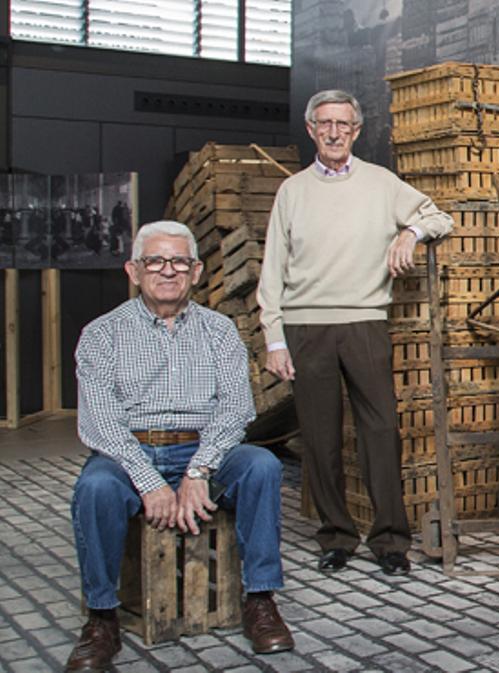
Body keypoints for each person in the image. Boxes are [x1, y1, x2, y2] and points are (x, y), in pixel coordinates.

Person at [69, 221, 292, 671]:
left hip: (204, 447)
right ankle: (100, 617)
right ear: (133, 270)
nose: (167, 271)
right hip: (128, 452)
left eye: (179, 262)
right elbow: (102, 424)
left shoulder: (220, 331)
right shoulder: (101, 334)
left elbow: (236, 409)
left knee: (262, 466)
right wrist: (151, 482)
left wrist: (198, 470)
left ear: (196, 271)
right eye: (155, 261)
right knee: (95, 488)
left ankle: (261, 599)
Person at [257, 89, 453, 576]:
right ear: (311, 129)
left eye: (343, 124)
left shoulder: (382, 184)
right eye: (325, 123)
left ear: (357, 131)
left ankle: (390, 540)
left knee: (381, 432)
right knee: (320, 439)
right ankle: (337, 536)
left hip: (365, 322)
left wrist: (410, 232)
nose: (334, 132)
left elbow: (439, 216)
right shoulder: (293, 192)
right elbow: (271, 270)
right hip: (306, 327)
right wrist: (274, 338)